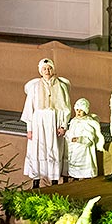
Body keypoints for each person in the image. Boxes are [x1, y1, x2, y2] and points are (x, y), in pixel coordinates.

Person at [21, 58, 72, 188]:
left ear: (53, 69)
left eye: (49, 68)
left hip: (54, 121)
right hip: (39, 123)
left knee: (54, 149)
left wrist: (63, 126)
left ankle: (54, 179)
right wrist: (29, 129)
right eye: (44, 69)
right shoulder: (34, 87)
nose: (47, 71)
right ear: (40, 71)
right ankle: (36, 180)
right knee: (38, 149)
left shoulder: (61, 86)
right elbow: (29, 108)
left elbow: (66, 107)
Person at [65, 98, 104, 180]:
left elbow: (90, 138)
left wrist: (80, 139)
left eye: (81, 110)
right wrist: (68, 135)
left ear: (85, 111)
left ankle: (84, 178)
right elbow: (71, 132)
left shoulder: (88, 122)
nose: (78, 112)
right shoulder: (73, 121)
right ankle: (74, 177)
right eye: (77, 110)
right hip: (74, 149)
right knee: (74, 166)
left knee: (82, 166)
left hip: (83, 150)